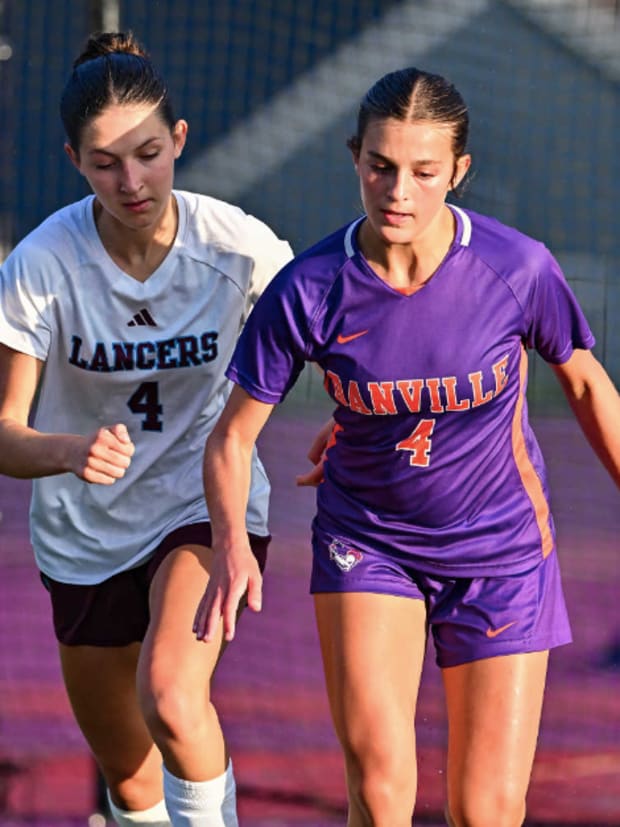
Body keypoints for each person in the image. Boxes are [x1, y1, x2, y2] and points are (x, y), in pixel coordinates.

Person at [193, 67, 620, 827]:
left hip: (503, 550)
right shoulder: (310, 288)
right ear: (355, 157)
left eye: (424, 172)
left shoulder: (518, 268)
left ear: (458, 172)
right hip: (369, 540)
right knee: (383, 796)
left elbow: (585, 386)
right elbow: (231, 438)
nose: (399, 191)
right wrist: (230, 542)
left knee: (486, 809)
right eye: (380, 166)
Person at [0, 31, 292, 827]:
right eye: (105, 162)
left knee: (171, 692)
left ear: (180, 140)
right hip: (83, 535)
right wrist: (70, 450)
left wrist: (355, 412)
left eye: (149, 153)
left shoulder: (236, 247)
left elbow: (330, 344)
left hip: (198, 503)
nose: (132, 180)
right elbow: (3, 433)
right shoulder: (41, 266)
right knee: (131, 782)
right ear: (73, 160)